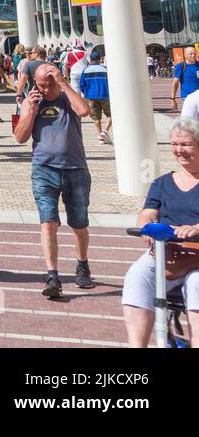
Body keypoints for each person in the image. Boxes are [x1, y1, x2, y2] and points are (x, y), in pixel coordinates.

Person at [14, 63, 95, 299]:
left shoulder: (67, 98)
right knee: (48, 222)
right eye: (42, 85)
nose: (47, 90)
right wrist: (30, 109)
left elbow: (84, 111)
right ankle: (52, 275)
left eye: (51, 85)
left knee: (79, 223)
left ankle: (82, 264)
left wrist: (63, 83)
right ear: (34, 84)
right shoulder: (31, 103)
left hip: (75, 169)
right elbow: (19, 137)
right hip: (44, 169)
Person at [121, 117, 199, 346]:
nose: (179, 150)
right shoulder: (162, 183)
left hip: (197, 255)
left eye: (185, 144)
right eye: (175, 144)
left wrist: (194, 228)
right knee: (137, 277)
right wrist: (147, 226)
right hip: (166, 252)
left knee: (197, 285)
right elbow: (147, 212)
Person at [77, 50, 112, 144]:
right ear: (99, 59)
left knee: (96, 117)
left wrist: (87, 94)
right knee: (111, 114)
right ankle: (105, 131)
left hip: (92, 96)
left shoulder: (86, 70)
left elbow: (82, 85)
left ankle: (100, 135)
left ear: (90, 59)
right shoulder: (105, 69)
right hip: (105, 95)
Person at [173, 47, 199, 113]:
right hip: (187, 97)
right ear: (185, 55)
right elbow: (175, 83)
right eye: (190, 54)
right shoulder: (181, 66)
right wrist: (173, 99)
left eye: (194, 53)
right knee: (189, 120)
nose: (193, 55)